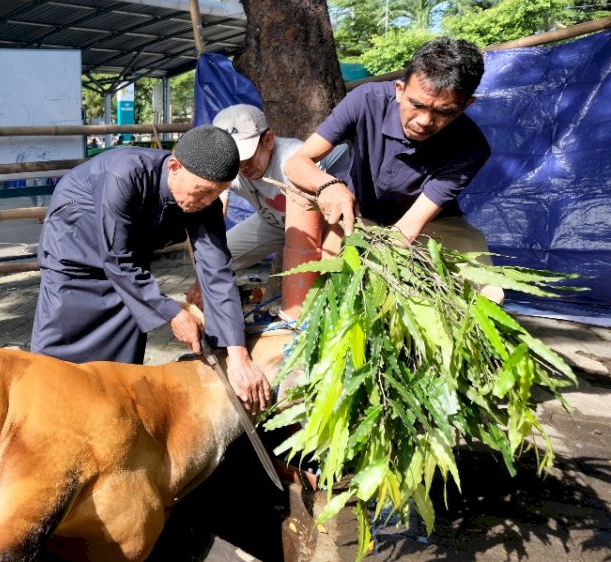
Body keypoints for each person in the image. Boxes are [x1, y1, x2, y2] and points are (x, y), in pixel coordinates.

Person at [30, 125, 272, 414]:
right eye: (203, 192)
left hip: (127, 259)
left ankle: (108, 415)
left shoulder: (203, 200)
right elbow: (117, 261)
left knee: (123, 349)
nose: (206, 202)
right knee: (61, 347)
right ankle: (48, 411)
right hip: (75, 250)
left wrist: (237, 354)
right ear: (174, 166)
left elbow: (217, 271)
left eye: (216, 195)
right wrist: (172, 312)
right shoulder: (124, 175)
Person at [285, 37, 498, 281]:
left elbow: (407, 229)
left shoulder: (471, 147)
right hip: (357, 214)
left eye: (444, 111)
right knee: (327, 279)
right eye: (417, 105)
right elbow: (296, 163)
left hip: (431, 224)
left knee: (488, 290)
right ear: (399, 89)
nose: (424, 121)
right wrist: (328, 185)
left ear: (466, 105)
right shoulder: (365, 100)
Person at [211, 104, 351, 271]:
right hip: (271, 224)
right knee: (215, 260)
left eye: (245, 157)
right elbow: (216, 207)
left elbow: (334, 219)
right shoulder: (231, 170)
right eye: (232, 160)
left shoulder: (294, 159)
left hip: (316, 224)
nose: (241, 167)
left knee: (317, 272)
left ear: (268, 140)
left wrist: (328, 268)